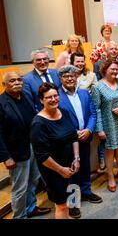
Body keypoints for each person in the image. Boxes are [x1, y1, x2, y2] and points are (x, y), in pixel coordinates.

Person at [0, 71, 51, 219]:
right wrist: (6, 157)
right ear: (4, 85)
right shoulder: (2, 103)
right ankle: (20, 216)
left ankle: (31, 208)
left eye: (18, 80)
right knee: (20, 188)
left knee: (33, 181)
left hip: (33, 147)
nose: (17, 83)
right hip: (16, 152)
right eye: (12, 81)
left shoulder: (26, 97)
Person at [57, 66, 102, 219]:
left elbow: (93, 113)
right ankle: (73, 202)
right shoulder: (56, 96)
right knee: (72, 171)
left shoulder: (84, 93)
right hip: (68, 141)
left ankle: (86, 192)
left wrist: (89, 129)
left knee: (85, 167)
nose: (70, 79)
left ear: (76, 77)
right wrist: (74, 133)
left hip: (85, 136)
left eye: (72, 76)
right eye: (66, 77)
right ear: (61, 79)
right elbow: (58, 120)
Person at [30, 83, 80, 219]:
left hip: (71, 164)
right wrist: (61, 170)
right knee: (62, 205)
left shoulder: (64, 111)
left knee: (73, 193)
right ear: (41, 100)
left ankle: (72, 212)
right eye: (48, 97)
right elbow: (42, 156)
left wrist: (76, 158)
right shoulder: (38, 124)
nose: (53, 99)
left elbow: (73, 136)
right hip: (53, 169)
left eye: (55, 96)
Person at [91, 60, 118, 192]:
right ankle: (110, 177)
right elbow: (96, 109)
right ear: (105, 70)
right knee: (109, 150)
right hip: (107, 123)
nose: (115, 72)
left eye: (116, 70)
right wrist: (100, 129)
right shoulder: (97, 87)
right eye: (112, 69)